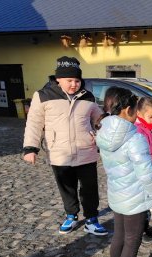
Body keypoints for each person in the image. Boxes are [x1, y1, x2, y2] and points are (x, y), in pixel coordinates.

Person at [23, 56, 108, 236]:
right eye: (69, 80)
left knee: (89, 188)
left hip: (86, 150)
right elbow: (34, 123)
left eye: (77, 80)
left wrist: (107, 125)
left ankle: (91, 219)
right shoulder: (43, 96)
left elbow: (98, 119)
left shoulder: (88, 96)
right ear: (58, 79)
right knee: (67, 187)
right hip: (59, 152)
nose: (74, 84)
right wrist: (31, 148)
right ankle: (71, 215)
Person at [96, 86, 152, 257]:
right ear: (126, 110)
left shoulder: (105, 131)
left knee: (119, 237)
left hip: (117, 193)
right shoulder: (134, 138)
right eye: (134, 109)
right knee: (133, 239)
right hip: (134, 196)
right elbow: (146, 172)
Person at [135, 97, 152, 242]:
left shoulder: (149, 127)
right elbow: (141, 156)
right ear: (139, 114)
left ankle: (145, 228)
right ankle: (141, 231)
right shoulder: (139, 130)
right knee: (143, 205)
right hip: (145, 173)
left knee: (147, 203)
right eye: (150, 117)